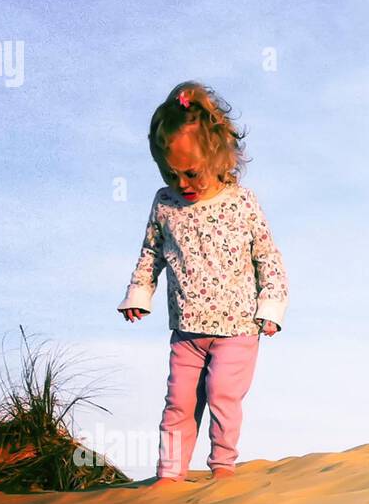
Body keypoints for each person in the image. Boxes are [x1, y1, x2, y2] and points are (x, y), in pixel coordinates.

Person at [118, 82, 288, 483]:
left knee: (222, 396)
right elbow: (151, 254)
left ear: (217, 155)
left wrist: (271, 310)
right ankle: (169, 475)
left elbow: (268, 259)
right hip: (187, 332)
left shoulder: (242, 202)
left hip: (238, 328)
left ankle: (223, 470)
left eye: (191, 173)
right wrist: (139, 294)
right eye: (170, 173)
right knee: (177, 402)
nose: (183, 184)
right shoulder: (165, 204)